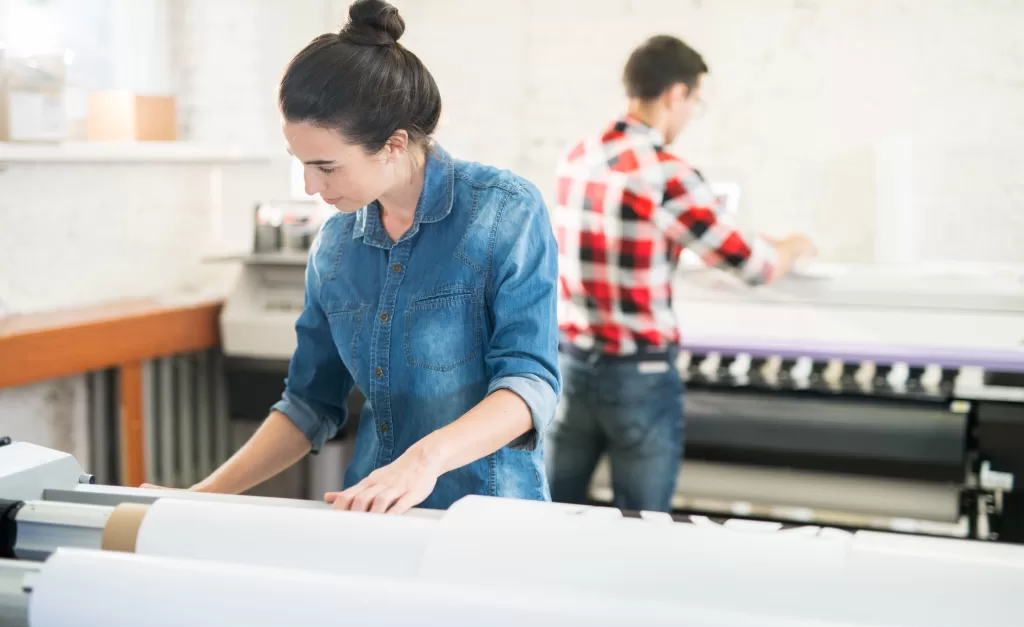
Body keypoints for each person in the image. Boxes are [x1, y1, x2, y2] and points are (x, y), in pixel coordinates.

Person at [166, 0, 560, 514]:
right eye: (301, 165)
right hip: (371, 516)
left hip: (490, 516)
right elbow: (309, 404)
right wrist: (196, 499)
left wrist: (422, 462)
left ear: (394, 145)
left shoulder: (505, 210)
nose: (311, 186)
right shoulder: (335, 248)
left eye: (326, 167)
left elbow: (530, 384)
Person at [546, 35, 815, 512]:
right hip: (639, 375)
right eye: (696, 101)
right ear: (676, 94)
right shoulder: (667, 173)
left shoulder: (577, 158)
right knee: (643, 524)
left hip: (569, 368)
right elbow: (755, 266)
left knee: (549, 509)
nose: (692, 113)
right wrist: (793, 246)